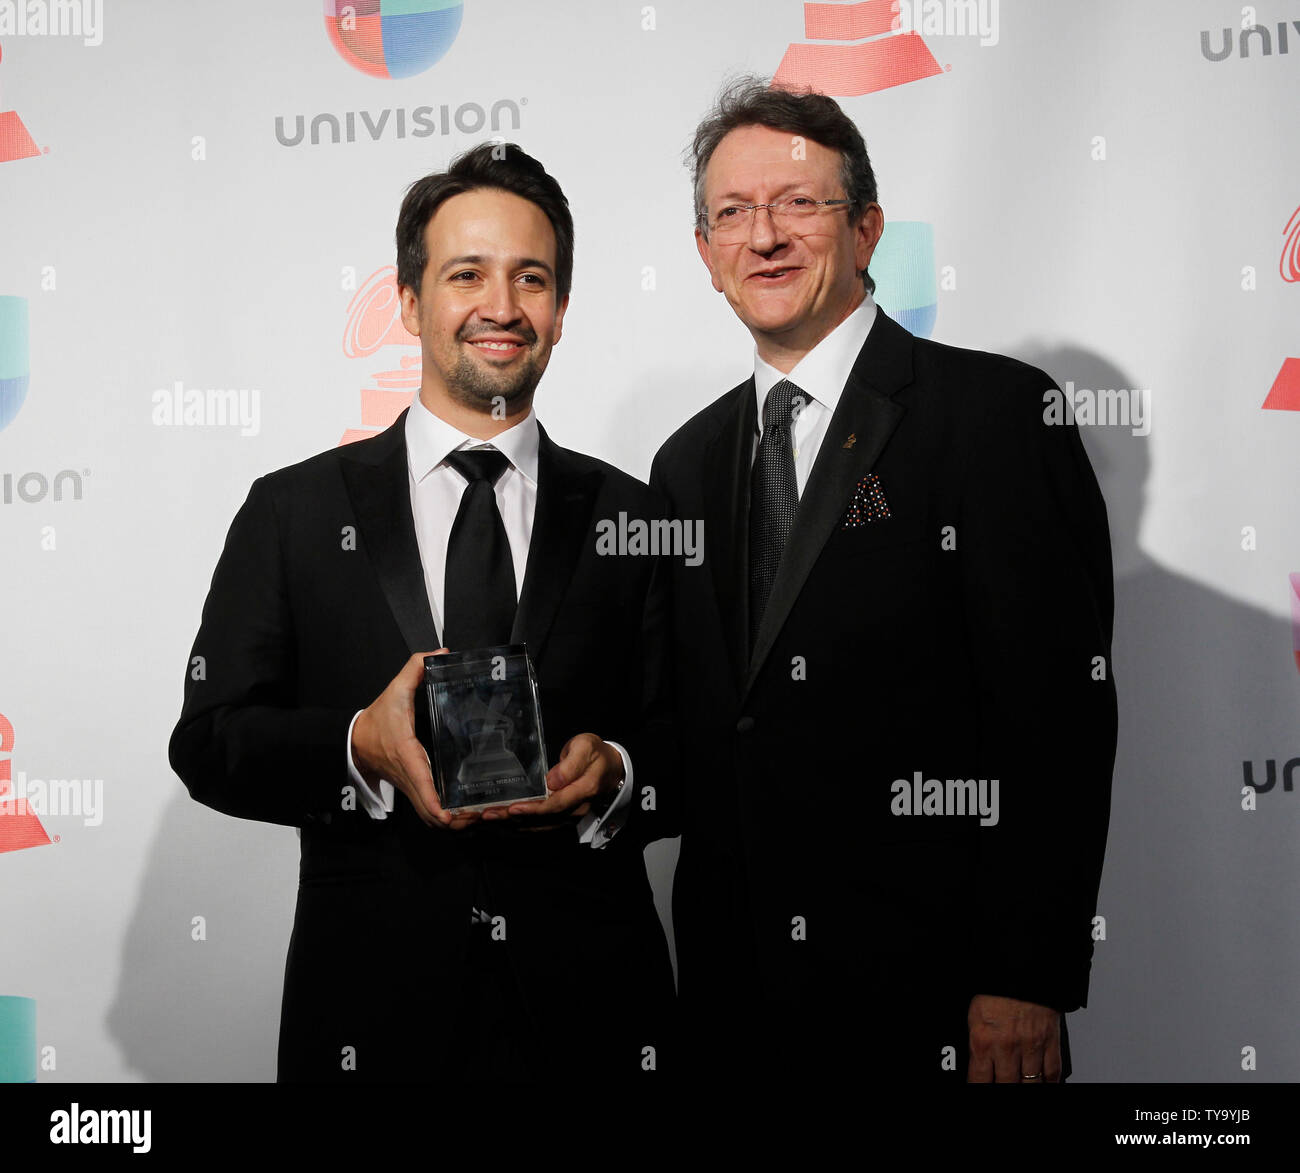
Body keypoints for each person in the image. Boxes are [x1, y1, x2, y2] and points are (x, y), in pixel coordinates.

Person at [169, 143, 675, 1083]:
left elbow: (701, 743)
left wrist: (621, 772)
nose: (501, 305)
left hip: (596, 1017)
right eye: (466, 274)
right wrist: (359, 743)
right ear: (408, 302)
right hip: (369, 1011)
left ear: (561, 311)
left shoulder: (633, 517)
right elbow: (209, 738)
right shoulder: (294, 512)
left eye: (532, 277)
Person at [649, 78, 1117, 1084]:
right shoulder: (683, 465)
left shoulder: (991, 416)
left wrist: (1023, 976)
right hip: (735, 1005)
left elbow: (1055, 721)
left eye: (798, 204)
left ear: (864, 230)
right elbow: (696, 727)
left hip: (938, 1001)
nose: (763, 235)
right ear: (705, 255)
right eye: (732, 212)